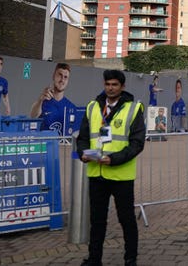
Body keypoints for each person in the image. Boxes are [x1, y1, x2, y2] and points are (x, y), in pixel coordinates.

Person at [76, 69, 145, 266]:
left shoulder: (133, 109)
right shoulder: (92, 107)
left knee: (126, 220)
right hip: (96, 173)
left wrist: (113, 159)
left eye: (114, 85)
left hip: (120, 175)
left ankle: (130, 259)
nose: (110, 88)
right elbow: (81, 138)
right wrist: (83, 153)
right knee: (97, 221)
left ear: (122, 87)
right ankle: (94, 259)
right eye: (107, 84)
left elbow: (137, 143)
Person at [30, 63, 75, 132]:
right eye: (60, 75)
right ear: (53, 76)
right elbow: (33, 116)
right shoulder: (43, 101)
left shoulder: (71, 107)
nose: (62, 80)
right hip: (45, 142)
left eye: (65, 77)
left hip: (62, 143)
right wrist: (40, 100)